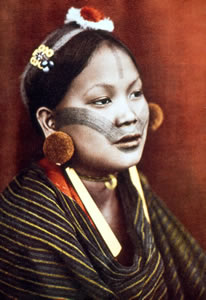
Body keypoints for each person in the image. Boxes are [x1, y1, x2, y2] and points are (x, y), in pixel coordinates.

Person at [0, 6, 205, 300]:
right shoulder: (25, 221)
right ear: (51, 121)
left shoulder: (132, 184)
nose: (130, 116)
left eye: (135, 93)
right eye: (102, 100)